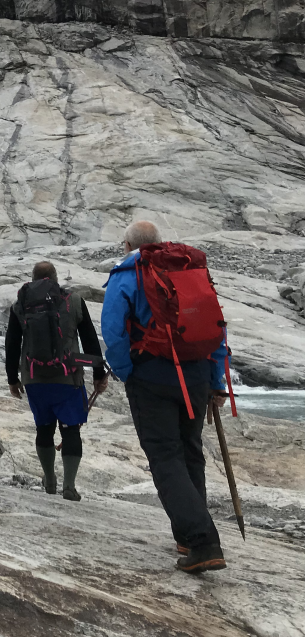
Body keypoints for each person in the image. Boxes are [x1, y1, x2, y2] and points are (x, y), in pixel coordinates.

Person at [102, 220, 230, 574]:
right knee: (190, 453)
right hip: (196, 374)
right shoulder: (187, 269)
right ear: (159, 242)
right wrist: (215, 380)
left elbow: (113, 330)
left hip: (152, 374)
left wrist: (127, 372)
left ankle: (202, 541)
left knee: (165, 458)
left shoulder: (128, 272)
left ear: (128, 245)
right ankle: (187, 537)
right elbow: (215, 327)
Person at [6, 261, 108, 502]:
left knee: (44, 428)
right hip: (68, 377)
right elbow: (90, 339)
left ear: (32, 279)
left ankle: (49, 479)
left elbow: (12, 343)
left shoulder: (21, 303)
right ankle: (69, 485)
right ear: (55, 278)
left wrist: (12, 378)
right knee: (70, 429)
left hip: (34, 379)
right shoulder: (73, 301)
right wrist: (98, 374)